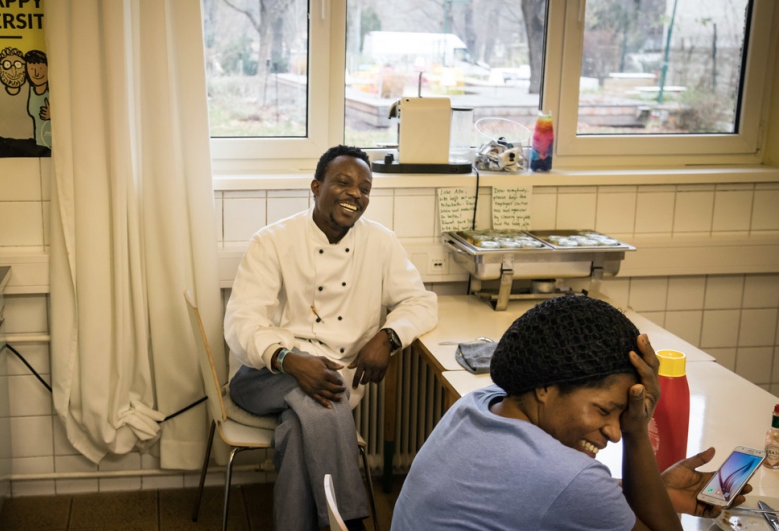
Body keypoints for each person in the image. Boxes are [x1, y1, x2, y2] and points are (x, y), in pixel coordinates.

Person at [391, 295, 750, 531]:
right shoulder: (567, 476)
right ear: (546, 387)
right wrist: (638, 431)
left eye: (625, 415)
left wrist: (661, 490)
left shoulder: (480, 404)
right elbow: (568, 487)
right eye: (606, 410)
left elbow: (547, 494)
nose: (614, 431)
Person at [224, 145, 438, 531]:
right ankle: (352, 522)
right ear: (316, 186)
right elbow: (242, 322)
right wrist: (289, 360)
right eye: (343, 182)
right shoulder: (273, 241)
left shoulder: (381, 242)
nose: (356, 193)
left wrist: (388, 336)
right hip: (263, 376)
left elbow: (421, 303)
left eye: (365, 188)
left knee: (301, 425)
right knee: (329, 397)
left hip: (332, 381)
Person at [24, 49, 51, 155]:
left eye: (40, 68)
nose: (36, 73)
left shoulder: (55, 93)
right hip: (37, 145)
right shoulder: (27, 90)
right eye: (32, 68)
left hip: (52, 146)